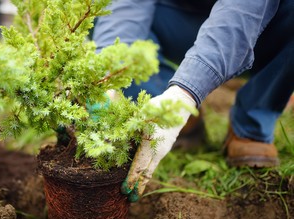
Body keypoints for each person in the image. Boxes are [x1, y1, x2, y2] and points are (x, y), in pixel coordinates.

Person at [92, 0, 294, 201]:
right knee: (94, 11)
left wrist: (185, 94)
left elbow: (242, 11)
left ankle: (252, 122)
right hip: (178, 16)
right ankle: (162, 104)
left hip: (261, 24)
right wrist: (108, 73)